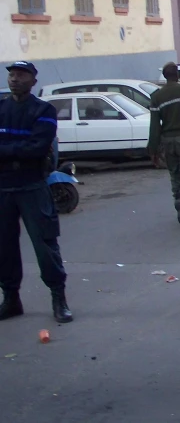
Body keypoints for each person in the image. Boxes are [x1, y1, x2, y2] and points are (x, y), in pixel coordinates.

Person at [0, 61, 73, 323]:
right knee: (4, 247)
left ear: (33, 81)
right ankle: (10, 298)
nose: (15, 79)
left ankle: (58, 297)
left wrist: (8, 151)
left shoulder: (43, 110)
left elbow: (38, 147)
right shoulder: (2, 108)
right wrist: (16, 152)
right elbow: (25, 147)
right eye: (11, 75)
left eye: (21, 75)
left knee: (45, 244)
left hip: (32, 186)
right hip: (3, 187)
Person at [147, 62, 180, 226]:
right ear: (177, 74)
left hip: (168, 141)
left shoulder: (157, 97)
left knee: (174, 174)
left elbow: (154, 126)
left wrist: (153, 150)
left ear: (164, 76)